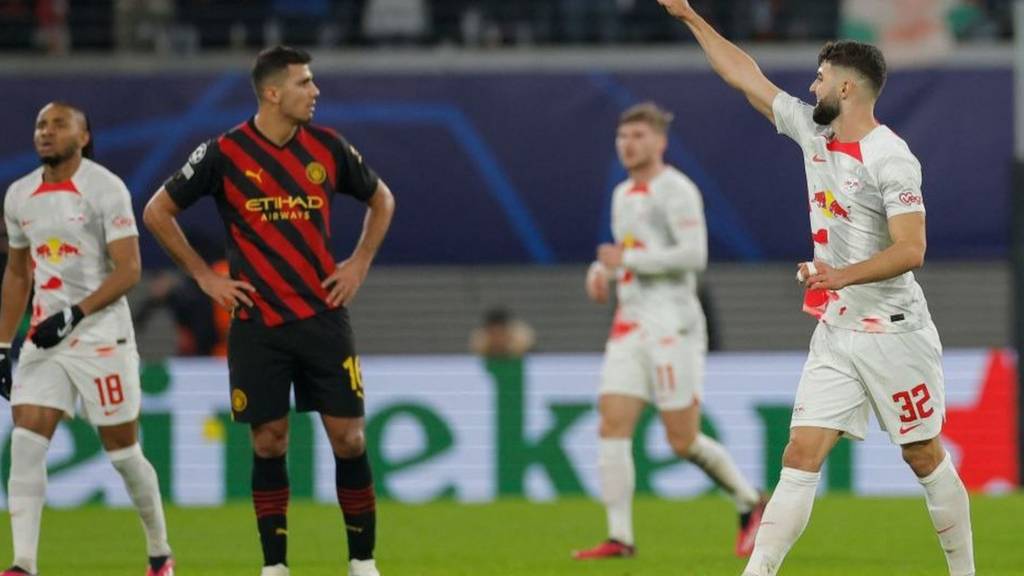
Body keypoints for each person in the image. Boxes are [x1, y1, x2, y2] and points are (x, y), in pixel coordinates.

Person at [655, 2, 976, 575]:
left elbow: (912, 250)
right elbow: (744, 76)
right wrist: (689, 17)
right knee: (799, 455)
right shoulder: (813, 130)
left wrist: (839, 274)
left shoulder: (892, 159)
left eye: (821, 76)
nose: (811, 84)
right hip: (839, 329)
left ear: (848, 87)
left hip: (896, 333)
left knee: (922, 455)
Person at [142, 46, 395, 576]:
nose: (315, 91)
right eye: (305, 82)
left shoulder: (327, 147)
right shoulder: (224, 153)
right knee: (269, 440)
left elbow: (382, 199)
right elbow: (157, 211)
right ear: (273, 92)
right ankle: (275, 567)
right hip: (258, 323)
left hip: (324, 315)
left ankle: (363, 563)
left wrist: (359, 264)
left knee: (349, 438)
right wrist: (205, 276)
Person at [574, 101, 764, 561]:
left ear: (660, 142)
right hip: (631, 324)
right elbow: (630, 253)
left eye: (638, 136)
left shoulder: (677, 190)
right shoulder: (622, 194)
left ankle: (751, 501)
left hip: (673, 325)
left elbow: (693, 256)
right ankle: (620, 537)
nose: (628, 144)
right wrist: (603, 272)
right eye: (623, 137)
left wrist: (628, 262)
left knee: (682, 441)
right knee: (611, 423)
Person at [0, 102, 174, 576]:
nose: (46, 132)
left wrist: (75, 314)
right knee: (26, 442)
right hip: (44, 339)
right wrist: (2, 345)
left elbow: (130, 270)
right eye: (40, 124)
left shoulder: (105, 188)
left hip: (101, 335)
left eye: (59, 124)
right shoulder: (19, 195)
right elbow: (17, 275)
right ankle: (23, 564)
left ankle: (159, 552)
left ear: (84, 135)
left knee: (123, 452)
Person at [469, 307, 536, 358]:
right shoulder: (481, 344)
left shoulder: (520, 342)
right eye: (493, 334)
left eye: (500, 334)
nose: (497, 339)